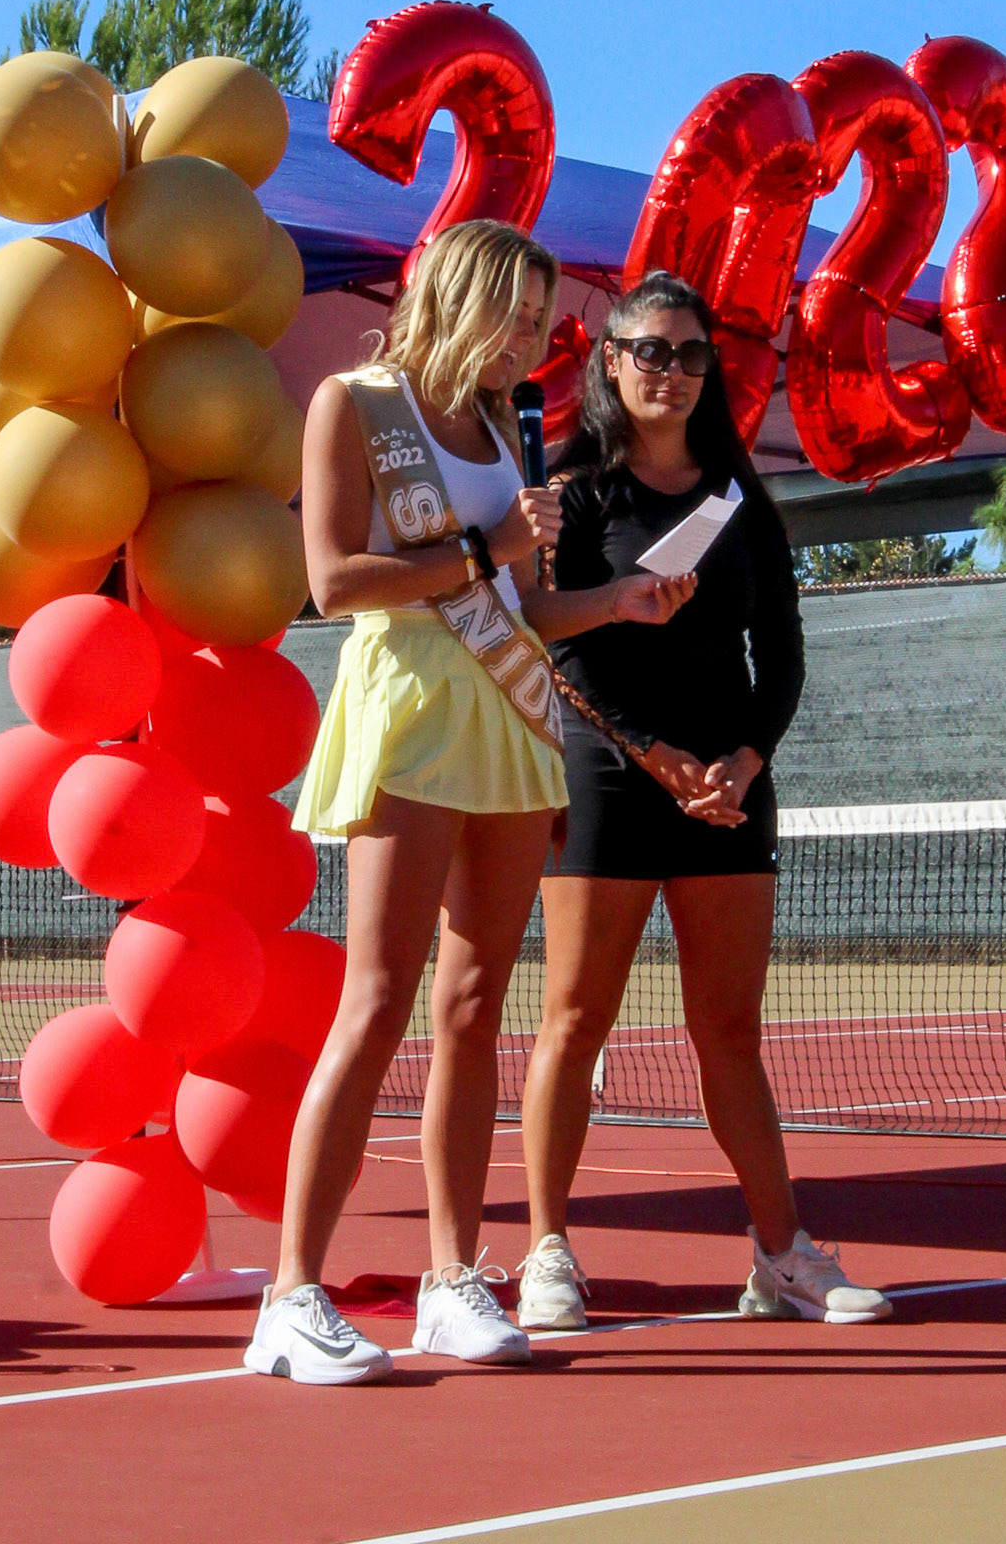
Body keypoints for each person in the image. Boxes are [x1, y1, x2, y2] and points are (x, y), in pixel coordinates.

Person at [244, 220, 684, 1385]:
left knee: (476, 1003)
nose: (529, 341)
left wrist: (619, 601)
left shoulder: (505, 430)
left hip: (507, 716)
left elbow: (526, 605)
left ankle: (450, 1278)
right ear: (458, 297)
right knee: (378, 998)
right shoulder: (355, 403)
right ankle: (291, 1293)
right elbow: (334, 580)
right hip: (410, 705)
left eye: (539, 323)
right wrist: (487, 551)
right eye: (516, 316)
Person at [515, 272, 890, 1330]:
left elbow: (783, 652)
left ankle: (781, 1256)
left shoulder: (740, 499)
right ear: (611, 361)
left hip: (729, 790)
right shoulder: (575, 495)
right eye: (650, 350)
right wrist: (654, 755)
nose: (670, 371)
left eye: (689, 354)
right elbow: (561, 647)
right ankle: (546, 1251)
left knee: (729, 1032)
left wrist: (744, 759)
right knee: (574, 1019)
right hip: (606, 779)